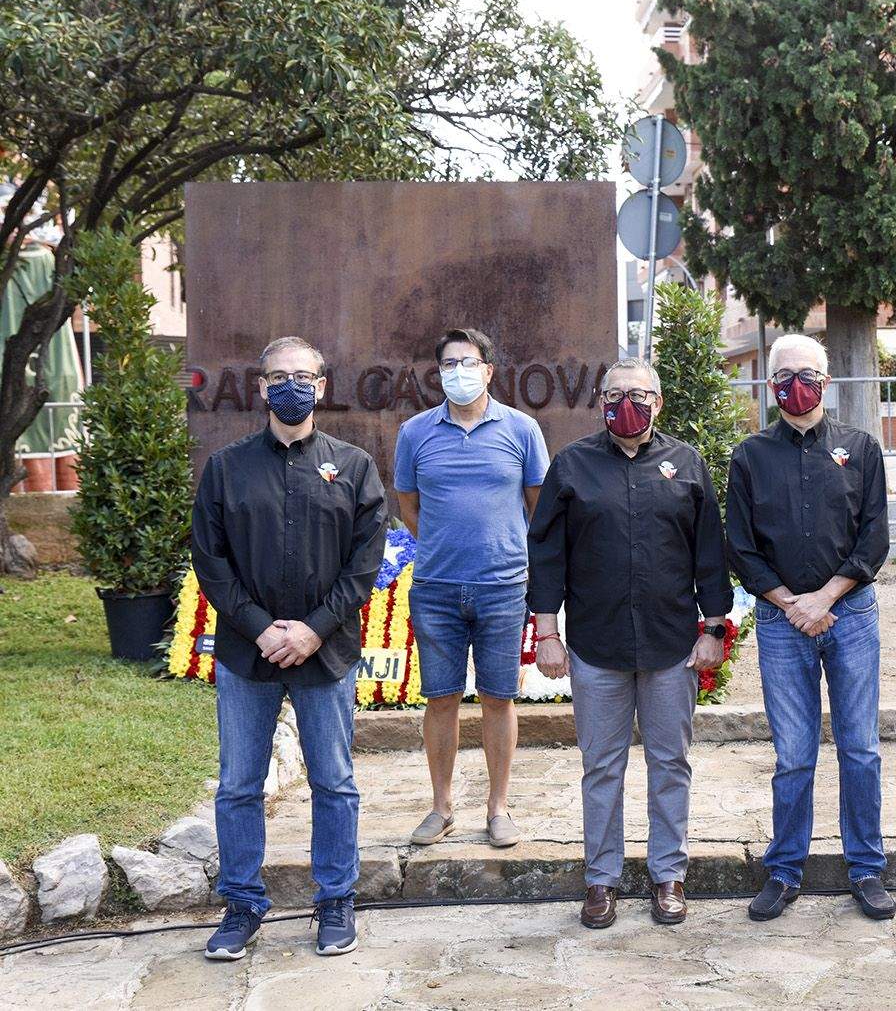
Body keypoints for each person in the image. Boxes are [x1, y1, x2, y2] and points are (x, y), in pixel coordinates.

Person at [191, 336, 386, 959]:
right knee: (239, 785)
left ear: (322, 385)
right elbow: (210, 560)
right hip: (248, 656)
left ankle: (335, 902)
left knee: (334, 781)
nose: (290, 386)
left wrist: (312, 628)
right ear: (261, 387)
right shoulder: (226, 467)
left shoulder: (353, 466)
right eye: (278, 377)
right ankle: (243, 905)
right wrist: (260, 627)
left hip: (324, 653)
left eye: (301, 375)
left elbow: (364, 564)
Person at [527, 358, 732, 930]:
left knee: (671, 762)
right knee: (602, 767)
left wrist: (713, 629)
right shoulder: (572, 467)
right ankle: (601, 881)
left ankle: (669, 874)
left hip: (671, 645)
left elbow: (709, 554)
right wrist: (547, 633)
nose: (627, 403)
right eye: (615, 394)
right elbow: (546, 556)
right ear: (600, 402)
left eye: (639, 394)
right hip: (596, 646)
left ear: (658, 402)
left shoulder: (686, 464)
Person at [725, 334, 894, 923]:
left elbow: (875, 538)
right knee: (793, 754)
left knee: (860, 749)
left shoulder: (860, 448)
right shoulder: (749, 457)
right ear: (770, 384)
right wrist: (788, 602)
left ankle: (867, 868)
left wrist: (824, 597)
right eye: (785, 374)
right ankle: (784, 869)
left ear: (826, 381)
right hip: (779, 621)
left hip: (850, 616)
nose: (796, 384)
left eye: (807, 373)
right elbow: (740, 547)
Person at [395, 328, 549, 851]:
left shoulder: (522, 430)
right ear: (438, 373)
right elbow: (408, 507)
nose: (458, 370)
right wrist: (446, 542)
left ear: (488, 370)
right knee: (440, 699)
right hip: (436, 588)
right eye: (448, 362)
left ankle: (497, 807)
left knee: (498, 698)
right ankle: (441, 808)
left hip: (503, 587)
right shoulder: (415, 432)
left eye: (469, 361)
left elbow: (538, 506)